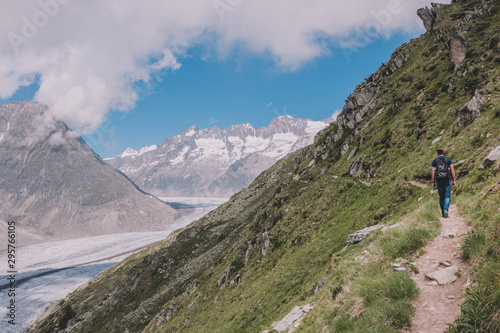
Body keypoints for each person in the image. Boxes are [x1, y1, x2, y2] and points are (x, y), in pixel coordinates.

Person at [431, 147, 456, 217]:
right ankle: (445, 210)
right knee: (447, 196)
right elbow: (452, 170)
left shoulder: (435, 161)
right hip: (447, 179)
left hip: (439, 180)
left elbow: (433, 172)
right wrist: (454, 180)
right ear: (443, 152)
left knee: (441, 196)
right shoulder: (448, 160)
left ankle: (443, 213)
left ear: (437, 153)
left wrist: (433, 182)